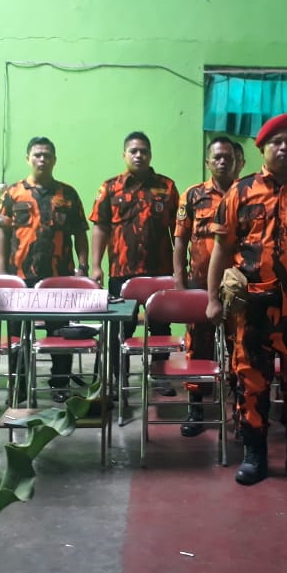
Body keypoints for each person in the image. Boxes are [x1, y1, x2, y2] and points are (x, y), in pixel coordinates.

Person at [206, 113, 287, 487]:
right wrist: (213, 298)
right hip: (253, 310)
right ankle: (255, 456)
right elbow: (221, 248)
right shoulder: (239, 192)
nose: (284, 148)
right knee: (251, 381)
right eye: (276, 142)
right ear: (262, 148)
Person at [0, 137, 90, 401]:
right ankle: (20, 387)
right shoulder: (12, 193)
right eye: (37, 155)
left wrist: (83, 266)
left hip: (59, 277)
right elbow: (1, 233)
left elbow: (80, 233)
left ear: (54, 160)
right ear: (28, 159)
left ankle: (60, 384)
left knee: (60, 333)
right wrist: (1, 273)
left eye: (47, 155)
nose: (42, 159)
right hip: (19, 277)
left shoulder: (67, 194)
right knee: (17, 335)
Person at [90, 131, 179, 396]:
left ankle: (160, 376)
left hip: (159, 272)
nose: (139, 155)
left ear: (150, 155)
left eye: (144, 151)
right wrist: (96, 265)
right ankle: (119, 381)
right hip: (122, 272)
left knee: (161, 327)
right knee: (121, 328)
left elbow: (178, 230)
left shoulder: (167, 187)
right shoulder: (110, 188)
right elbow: (100, 228)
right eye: (133, 151)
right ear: (124, 155)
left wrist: (179, 268)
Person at [173, 137, 236, 436]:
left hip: (238, 285)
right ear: (208, 162)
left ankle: (241, 409)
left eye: (228, 157)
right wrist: (179, 281)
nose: (222, 162)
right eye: (217, 157)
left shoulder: (246, 192)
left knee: (241, 349)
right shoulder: (192, 195)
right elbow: (180, 240)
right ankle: (196, 408)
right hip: (199, 284)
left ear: (237, 161)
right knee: (198, 347)